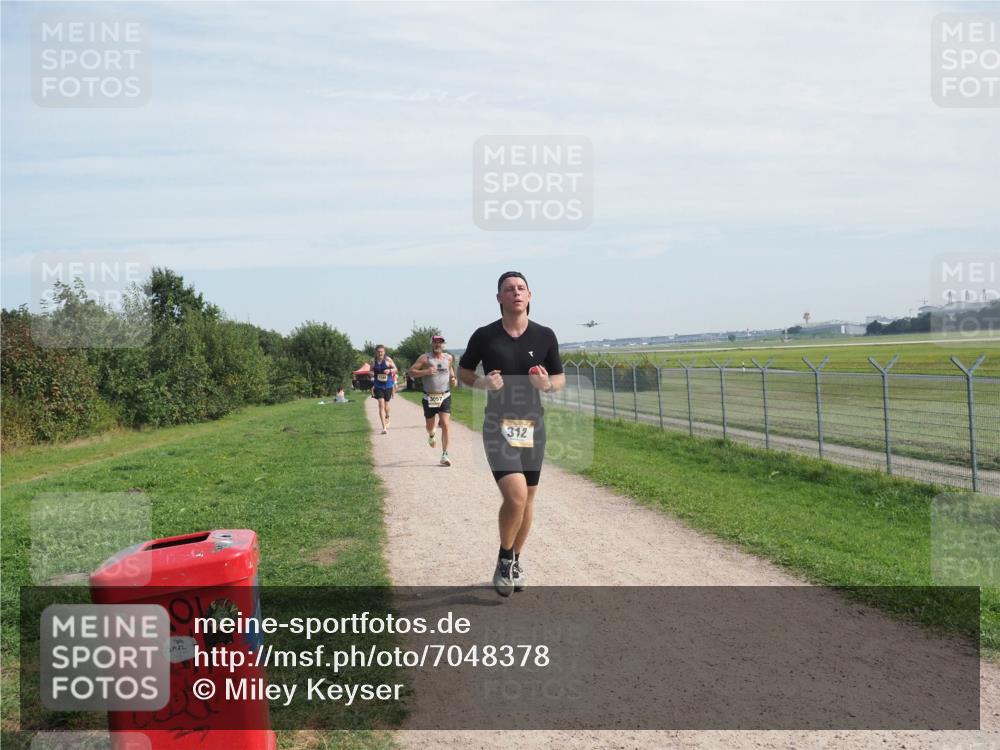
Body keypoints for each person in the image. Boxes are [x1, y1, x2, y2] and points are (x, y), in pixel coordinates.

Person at [458, 271, 564, 597]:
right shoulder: (485, 336)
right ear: (499, 298)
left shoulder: (545, 336)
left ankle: (515, 559)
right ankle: (506, 557)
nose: (515, 292)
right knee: (515, 496)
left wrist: (546, 385)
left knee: (528, 499)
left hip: (534, 426)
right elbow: (463, 372)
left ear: (530, 296)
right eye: (508, 289)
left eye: (521, 288)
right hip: (498, 426)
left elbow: (558, 380)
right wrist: (482, 383)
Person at [407, 334, 458, 467]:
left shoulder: (449, 358)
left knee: (446, 424)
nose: (438, 345)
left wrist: (453, 378)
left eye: (440, 343)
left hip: (445, 396)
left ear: (443, 345)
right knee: (430, 427)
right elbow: (411, 372)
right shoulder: (425, 358)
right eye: (435, 342)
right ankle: (431, 435)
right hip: (429, 397)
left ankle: (445, 454)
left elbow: (450, 369)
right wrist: (425, 372)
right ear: (432, 344)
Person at [370, 345, 397, 434]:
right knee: (381, 404)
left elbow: (395, 369)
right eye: (378, 351)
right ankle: (384, 427)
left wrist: (389, 371)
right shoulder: (373, 362)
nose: (380, 353)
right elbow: (370, 371)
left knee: (386, 405)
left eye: (382, 351)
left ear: (384, 352)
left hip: (388, 385)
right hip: (378, 386)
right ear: (376, 352)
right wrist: (371, 373)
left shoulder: (388, 360)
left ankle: (387, 416)